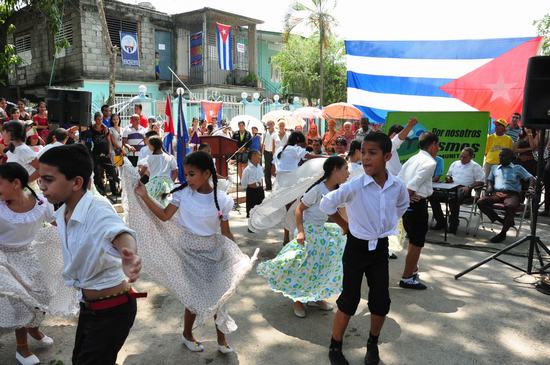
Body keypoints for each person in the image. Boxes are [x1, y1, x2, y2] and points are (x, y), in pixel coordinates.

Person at [134, 151, 257, 354]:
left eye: (192, 174)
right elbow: (164, 217)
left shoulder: (222, 200)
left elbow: (226, 232)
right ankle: (187, 334)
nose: (187, 179)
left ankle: (221, 339)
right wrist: (145, 196)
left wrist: (236, 256)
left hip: (213, 252)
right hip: (188, 253)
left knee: (220, 296)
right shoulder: (182, 195)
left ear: (207, 173)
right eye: (186, 175)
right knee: (193, 297)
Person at [38, 144, 142, 365]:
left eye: (48, 180)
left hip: (113, 311)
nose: (42, 187)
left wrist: (128, 254)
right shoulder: (62, 208)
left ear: (76, 182)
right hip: (90, 307)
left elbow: (118, 232)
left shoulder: (97, 208)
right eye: (40, 180)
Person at [319, 132, 409, 365]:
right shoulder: (355, 185)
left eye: (373, 153)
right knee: (349, 299)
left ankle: (372, 344)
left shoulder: (397, 185)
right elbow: (326, 203)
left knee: (380, 300)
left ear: (387, 156)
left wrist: (386, 223)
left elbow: (402, 204)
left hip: (380, 247)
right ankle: (335, 346)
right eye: (364, 153)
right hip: (356, 247)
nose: (366, 158)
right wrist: (344, 224)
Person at [258, 156, 349, 318]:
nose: (348, 173)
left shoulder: (338, 192)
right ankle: (298, 300)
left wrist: (347, 229)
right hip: (308, 232)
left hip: (322, 233)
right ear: (335, 170)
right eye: (345, 169)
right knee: (303, 267)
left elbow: (342, 212)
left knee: (321, 266)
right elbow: (299, 210)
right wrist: (300, 231)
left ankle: (317, 296)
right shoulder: (317, 190)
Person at [0, 163, 59, 365]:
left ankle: (33, 328)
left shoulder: (40, 203)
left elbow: (57, 222)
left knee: (43, 295)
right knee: (20, 301)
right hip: (4, 260)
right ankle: (21, 348)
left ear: (16, 183)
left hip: (30, 256)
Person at [398, 132, 439, 290]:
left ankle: (412, 269)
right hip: (416, 204)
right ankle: (407, 278)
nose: (438, 149)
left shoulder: (413, 158)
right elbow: (411, 186)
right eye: (438, 145)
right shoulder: (429, 162)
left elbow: (400, 180)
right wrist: (406, 198)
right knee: (417, 242)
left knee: (413, 240)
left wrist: (403, 200)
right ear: (433, 144)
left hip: (409, 204)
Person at [273, 131, 324, 243]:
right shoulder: (293, 149)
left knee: (288, 210)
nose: (304, 146)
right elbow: (309, 156)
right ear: (298, 141)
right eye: (303, 143)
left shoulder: (281, 149)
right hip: (291, 183)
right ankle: (295, 235)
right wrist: (327, 157)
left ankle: (287, 237)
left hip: (281, 184)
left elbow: (274, 167)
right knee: (296, 210)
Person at [477, 148, 535, 243]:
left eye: (503, 156)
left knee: (510, 206)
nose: (500, 158)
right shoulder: (495, 167)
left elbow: (531, 178)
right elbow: (489, 180)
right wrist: (490, 187)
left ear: (510, 158)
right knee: (481, 202)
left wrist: (531, 188)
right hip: (497, 193)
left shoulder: (517, 168)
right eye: (500, 156)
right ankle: (501, 220)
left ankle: (503, 233)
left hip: (512, 194)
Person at [436, 147, 484, 234]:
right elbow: (448, 175)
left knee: (453, 197)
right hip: (451, 187)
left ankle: (453, 225)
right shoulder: (455, 163)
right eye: (461, 156)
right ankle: (440, 221)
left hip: (464, 190)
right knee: (432, 195)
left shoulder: (475, 166)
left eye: (464, 157)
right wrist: (448, 179)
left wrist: (469, 187)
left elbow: (481, 181)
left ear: (471, 157)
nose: (462, 158)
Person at [81, 112, 118, 196]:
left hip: (106, 153)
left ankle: (114, 191)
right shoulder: (91, 129)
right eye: (98, 119)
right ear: (95, 119)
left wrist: (109, 152)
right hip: (96, 153)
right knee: (97, 173)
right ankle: (101, 191)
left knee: (112, 171)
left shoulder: (105, 128)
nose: (100, 121)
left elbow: (108, 140)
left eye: (101, 119)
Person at [141, 135, 177, 206]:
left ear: (153, 146)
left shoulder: (149, 158)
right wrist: (171, 182)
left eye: (149, 145)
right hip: (167, 184)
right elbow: (175, 172)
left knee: (153, 205)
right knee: (165, 205)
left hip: (153, 184)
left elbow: (141, 172)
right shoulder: (170, 157)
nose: (148, 147)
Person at [241, 149, 265, 218]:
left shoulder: (260, 167)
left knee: (260, 210)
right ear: (253, 157)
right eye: (258, 155)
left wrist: (259, 185)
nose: (260, 157)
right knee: (252, 211)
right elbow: (243, 183)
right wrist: (252, 184)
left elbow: (261, 179)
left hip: (260, 191)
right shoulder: (247, 170)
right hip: (252, 192)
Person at [262, 120, 277, 191]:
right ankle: (268, 186)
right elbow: (263, 144)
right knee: (267, 170)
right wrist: (262, 153)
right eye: (268, 124)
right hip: (267, 153)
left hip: (274, 153)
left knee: (275, 169)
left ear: (273, 124)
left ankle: (276, 185)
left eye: (271, 124)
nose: (269, 126)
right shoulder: (265, 133)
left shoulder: (276, 133)